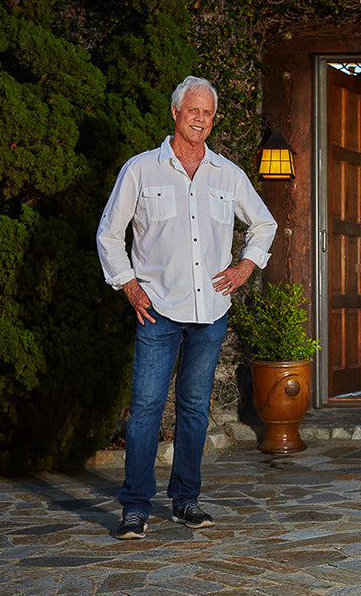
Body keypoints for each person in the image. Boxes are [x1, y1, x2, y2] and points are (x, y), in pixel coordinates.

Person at [96, 76, 277, 539]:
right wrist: (129, 286)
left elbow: (264, 224)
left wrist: (244, 268)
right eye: (193, 110)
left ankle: (185, 500)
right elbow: (109, 235)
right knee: (147, 408)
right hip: (156, 309)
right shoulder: (141, 169)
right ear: (175, 112)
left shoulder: (227, 174)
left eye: (208, 113)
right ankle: (135, 506)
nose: (200, 118)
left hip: (211, 312)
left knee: (195, 408)